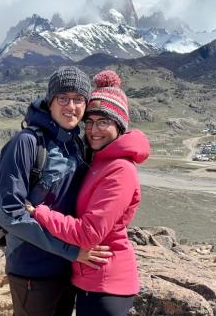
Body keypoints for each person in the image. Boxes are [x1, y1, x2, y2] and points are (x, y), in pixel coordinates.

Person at [26, 70, 150, 316]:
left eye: (103, 122)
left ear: (119, 125)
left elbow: (88, 233)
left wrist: (40, 213)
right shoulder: (99, 161)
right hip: (91, 279)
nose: (94, 130)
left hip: (107, 283)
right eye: (90, 122)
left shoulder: (120, 171)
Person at [0, 66, 112, 316]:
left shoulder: (76, 142)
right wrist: (71, 250)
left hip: (68, 267)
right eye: (63, 98)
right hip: (32, 269)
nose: (71, 106)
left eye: (79, 99)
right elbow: (9, 213)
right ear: (50, 101)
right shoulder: (27, 142)